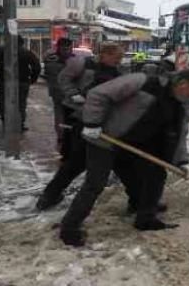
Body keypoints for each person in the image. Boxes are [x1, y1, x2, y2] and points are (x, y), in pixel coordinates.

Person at [59, 68, 189, 247]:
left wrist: (179, 161)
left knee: (155, 174)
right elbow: (98, 94)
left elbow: (179, 135)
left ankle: (145, 217)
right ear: (183, 85)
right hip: (105, 137)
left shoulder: (182, 105)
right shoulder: (142, 82)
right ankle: (69, 228)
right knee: (95, 183)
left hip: (135, 144)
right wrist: (93, 123)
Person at [35, 43, 126, 211]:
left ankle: (140, 200)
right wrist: (73, 94)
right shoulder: (83, 64)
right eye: (117, 57)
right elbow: (63, 78)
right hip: (80, 117)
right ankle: (49, 196)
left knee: (116, 160)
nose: (119, 61)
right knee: (76, 161)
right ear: (105, 54)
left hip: (102, 122)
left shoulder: (117, 73)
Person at [0, 36, 42, 131]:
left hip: (3, 81)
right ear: (21, 43)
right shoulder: (27, 52)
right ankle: (20, 125)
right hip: (22, 82)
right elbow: (37, 66)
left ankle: (5, 123)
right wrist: (33, 79)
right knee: (21, 103)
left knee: (3, 101)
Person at [43, 38, 75, 146]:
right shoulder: (73, 60)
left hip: (57, 92)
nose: (67, 51)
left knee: (60, 115)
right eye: (66, 49)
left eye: (69, 49)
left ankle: (62, 136)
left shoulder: (50, 59)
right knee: (68, 115)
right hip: (66, 93)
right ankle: (66, 135)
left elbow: (48, 76)